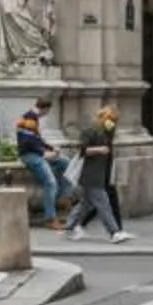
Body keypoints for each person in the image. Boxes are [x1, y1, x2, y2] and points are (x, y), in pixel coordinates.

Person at [66, 107, 129, 242]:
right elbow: (83, 150)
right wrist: (99, 150)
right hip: (90, 173)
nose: (113, 123)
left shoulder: (107, 133)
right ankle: (114, 232)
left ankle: (70, 226)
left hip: (98, 174)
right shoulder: (90, 131)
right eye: (111, 120)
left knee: (85, 204)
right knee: (103, 203)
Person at [15, 98, 64, 228]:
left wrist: (51, 148)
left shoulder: (32, 118)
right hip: (30, 156)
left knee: (64, 162)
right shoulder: (30, 119)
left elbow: (37, 139)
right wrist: (44, 153)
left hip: (35, 153)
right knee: (50, 182)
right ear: (45, 109)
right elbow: (27, 142)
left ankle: (60, 197)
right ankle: (50, 218)